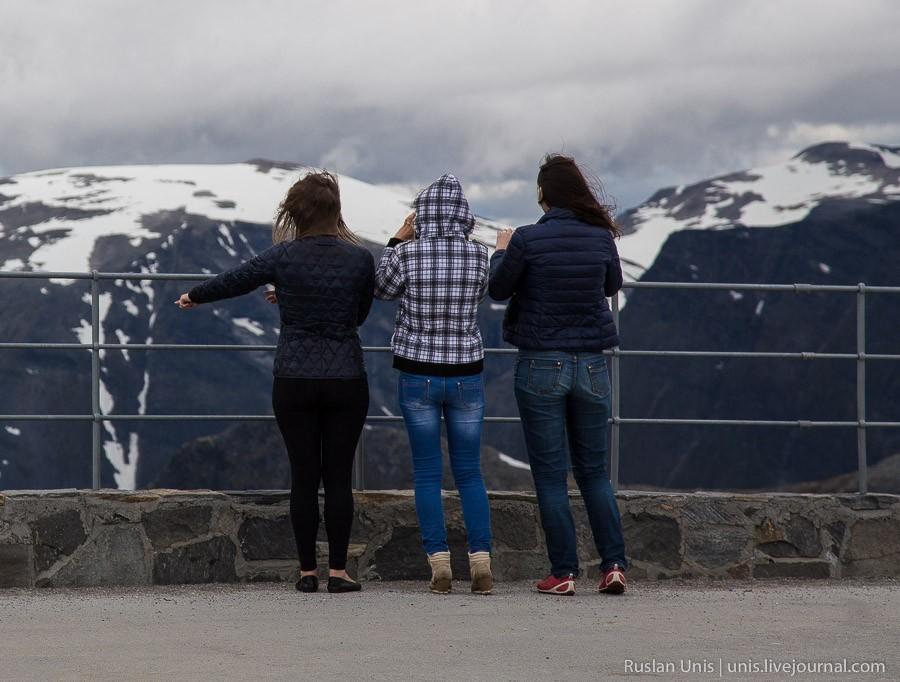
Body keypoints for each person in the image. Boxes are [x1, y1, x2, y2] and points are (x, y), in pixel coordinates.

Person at [176, 171, 374, 595]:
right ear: (336, 210)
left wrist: (195, 294)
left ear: (295, 212)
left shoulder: (283, 257)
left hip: (294, 378)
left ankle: (306, 572)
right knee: (337, 478)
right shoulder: (360, 259)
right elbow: (356, 316)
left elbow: (234, 280)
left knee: (303, 476)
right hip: (345, 378)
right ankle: (338, 573)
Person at [488, 154, 628, 596]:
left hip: (541, 363)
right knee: (595, 473)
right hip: (590, 363)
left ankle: (563, 573)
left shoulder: (528, 240)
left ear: (544, 194)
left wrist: (503, 250)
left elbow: (498, 289)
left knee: (551, 475)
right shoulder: (601, 236)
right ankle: (614, 565)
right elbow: (611, 284)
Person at [374, 174, 493, 595]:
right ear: (464, 213)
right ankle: (480, 562)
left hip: (417, 372)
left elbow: (381, 289)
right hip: (466, 373)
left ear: (422, 213)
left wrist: (395, 239)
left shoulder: (407, 253)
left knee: (427, 472)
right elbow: (486, 292)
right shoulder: (479, 256)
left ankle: (439, 564)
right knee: (469, 472)